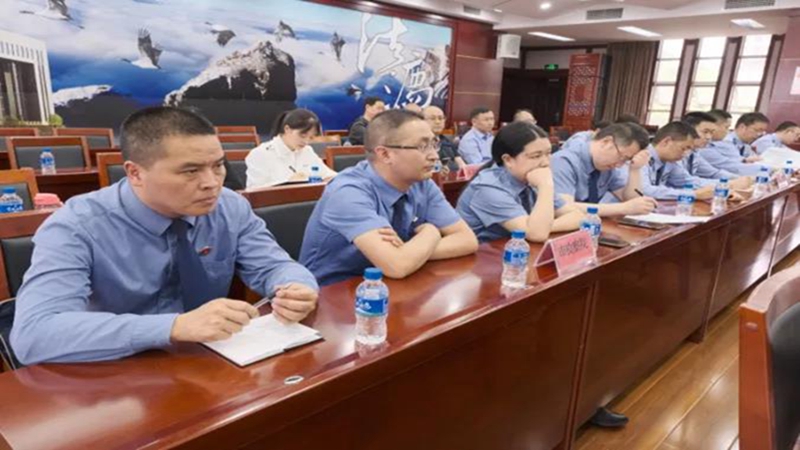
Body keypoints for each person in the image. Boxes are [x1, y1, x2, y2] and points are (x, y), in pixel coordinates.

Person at [11, 107, 319, 365]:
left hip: (214, 362)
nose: (212, 183)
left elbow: (275, 265)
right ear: (135, 173)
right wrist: (173, 327)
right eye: (190, 171)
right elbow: (34, 334)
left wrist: (298, 287)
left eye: (218, 166)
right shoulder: (77, 226)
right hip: (114, 372)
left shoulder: (229, 207)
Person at [300, 109, 479, 286]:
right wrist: (431, 232)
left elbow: (467, 240)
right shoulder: (348, 192)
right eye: (423, 146)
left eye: (434, 144)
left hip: (392, 283)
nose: (434, 156)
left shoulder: (422, 183)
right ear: (385, 154)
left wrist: (411, 252)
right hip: (334, 292)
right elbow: (397, 266)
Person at [457, 122, 584, 242]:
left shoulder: (531, 178)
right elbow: (537, 234)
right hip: (483, 254)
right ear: (508, 160)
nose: (546, 162)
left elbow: (577, 216)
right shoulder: (488, 188)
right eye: (536, 156)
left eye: (548, 154)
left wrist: (546, 226)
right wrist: (546, 187)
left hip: (515, 247)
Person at [551, 123, 658, 217]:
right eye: (622, 157)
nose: (619, 165)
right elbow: (563, 208)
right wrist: (622, 208)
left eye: (626, 160)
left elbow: (629, 199)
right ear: (606, 142)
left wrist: (635, 169)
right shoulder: (564, 161)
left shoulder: (607, 166)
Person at [245, 108, 336, 188]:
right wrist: (289, 182)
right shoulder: (260, 154)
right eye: (302, 136)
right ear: (287, 129)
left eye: (311, 138)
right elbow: (254, 191)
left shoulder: (307, 151)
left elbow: (328, 175)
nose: (306, 142)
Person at [638, 122, 718, 200]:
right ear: (666, 141)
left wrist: (722, 185)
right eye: (684, 148)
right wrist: (693, 194)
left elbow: (688, 181)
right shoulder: (641, 156)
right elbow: (645, 190)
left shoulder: (670, 161)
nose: (686, 154)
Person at [700, 111, 767, 176]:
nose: (727, 131)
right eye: (726, 127)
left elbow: (714, 172)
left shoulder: (746, 145)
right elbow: (730, 166)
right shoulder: (720, 144)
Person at [422, 105, 466, 172]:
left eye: (440, 118)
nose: (437, 122)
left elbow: (462, 166)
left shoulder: (446, 141)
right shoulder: (418, 143)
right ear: (422, 121)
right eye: (432, 118)